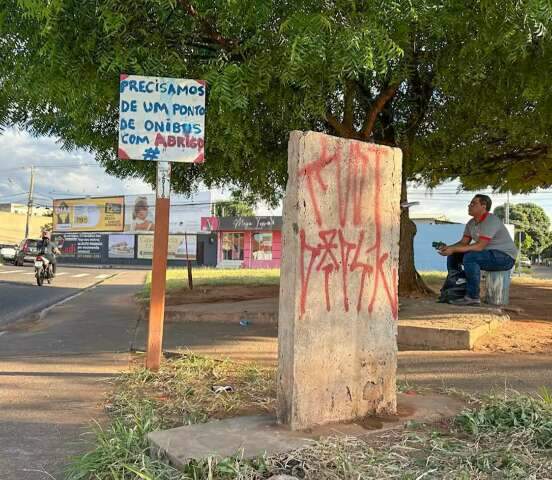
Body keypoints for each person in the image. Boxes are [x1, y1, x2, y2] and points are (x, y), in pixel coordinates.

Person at [438, 194, 517, 306]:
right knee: (454, 255)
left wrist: (454, 248)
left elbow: (480, 246)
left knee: (471, 257)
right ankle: (455, 289)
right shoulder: (471, 223)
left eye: (473, 203)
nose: (469, 206)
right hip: (487, 255)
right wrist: (449, 248)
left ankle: (472, 297)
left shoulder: (491, 220)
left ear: (483, 206)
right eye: (470, 203)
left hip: (505, 257)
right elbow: (463, 243)